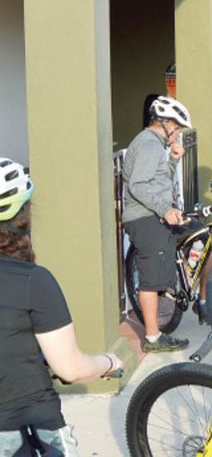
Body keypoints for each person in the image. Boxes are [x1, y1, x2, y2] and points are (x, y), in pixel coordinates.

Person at [0, 159, 123, 455]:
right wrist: (111, 362)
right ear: (24, 217)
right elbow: (72, 370)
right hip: (29, 426)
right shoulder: (34, 281)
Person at [122, 96, 193, 352]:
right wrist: (165, 210)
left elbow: (160, 182)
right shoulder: (149, 145)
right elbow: (137, 185)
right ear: (165, 123)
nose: (178, 133)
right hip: (145, 218)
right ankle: (153, 338)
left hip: (154, 215)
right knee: (151, 280)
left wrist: (173, 160)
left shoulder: (153, 144)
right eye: (178, 127)